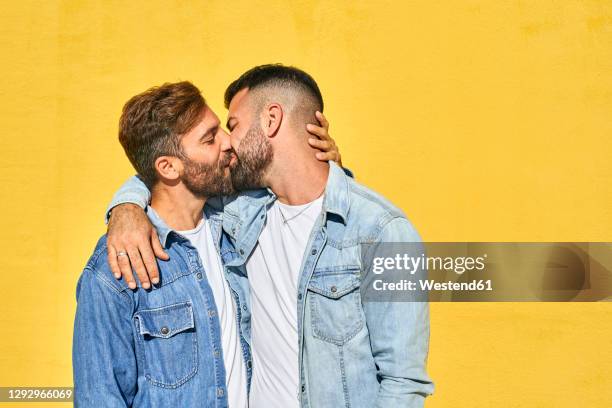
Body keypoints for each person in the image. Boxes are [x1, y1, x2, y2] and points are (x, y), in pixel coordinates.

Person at [108, 64, 434, 407]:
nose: (226, 143)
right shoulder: (240, 211)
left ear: (271, 119)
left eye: (232, 126)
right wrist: (126, 207)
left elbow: (403, 382)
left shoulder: (382, 231)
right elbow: (173, 173)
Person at [72, 80, 339, 407]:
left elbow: (295, 178)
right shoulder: (115, 268)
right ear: (168, 167)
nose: (228, 143)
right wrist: (125, 209)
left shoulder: (237, 220)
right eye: (210, 138)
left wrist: (327, 165)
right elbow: (100, 397)